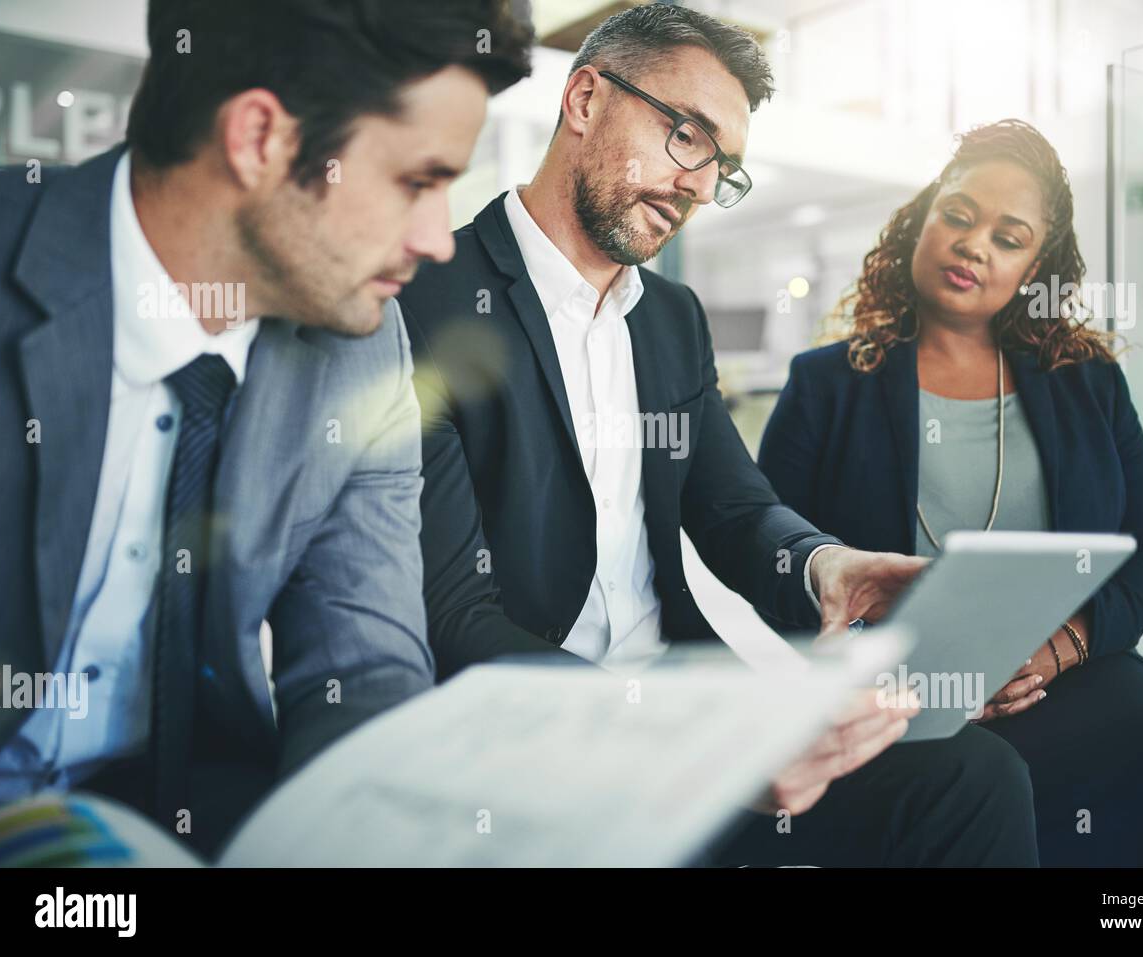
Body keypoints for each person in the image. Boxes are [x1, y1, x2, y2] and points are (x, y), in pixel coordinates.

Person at [401, 5, 1038, 866]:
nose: (700, 187)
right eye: (687, 137)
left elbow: (735, 506)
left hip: (689, 704)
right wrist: (685, 737)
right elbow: (455, 613)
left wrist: (825, 565)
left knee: (973, 777)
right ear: (585, 98)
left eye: (722, 166)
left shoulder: (669, 317)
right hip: (541, 744)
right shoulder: (426, 300)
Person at [0, 0, 532, 857]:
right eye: (417, 181)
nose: (439, 240)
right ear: (259, 139)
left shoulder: (363, 344)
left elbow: (362, 666)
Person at [758, 118, 1143, 866]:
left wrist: (1061, 647)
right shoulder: (827, 385)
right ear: (923, 218)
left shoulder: (1087, 382)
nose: (974, 245)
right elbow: (773, 568)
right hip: (902, 704)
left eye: (1009, 237)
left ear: (1035, 267)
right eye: (959, 215)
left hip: (1062, 679)